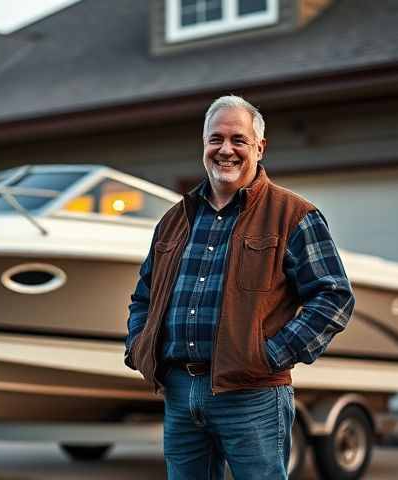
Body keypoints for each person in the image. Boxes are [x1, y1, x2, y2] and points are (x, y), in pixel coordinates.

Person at [124, 95, 355, 479]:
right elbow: (143, 298)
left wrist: (269, 356)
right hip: (180, 393)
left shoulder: (293, 215)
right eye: (215, 139)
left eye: (238, 140)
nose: (225, 150)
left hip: (253, 396)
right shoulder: (173, 221)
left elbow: (333, 297)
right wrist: (140, 346)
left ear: (259, 148)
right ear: (203, 146)